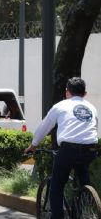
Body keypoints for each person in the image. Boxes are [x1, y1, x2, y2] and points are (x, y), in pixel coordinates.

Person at [24, 77, 98, 219]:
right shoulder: (92, 108)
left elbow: (44, 127)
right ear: (85, 93)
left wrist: (33, 145)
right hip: (90, 150)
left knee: (57, 186)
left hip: (68, 151)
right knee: (83, 176)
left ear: (67, 92)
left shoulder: (61, 106)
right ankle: (85, 199)